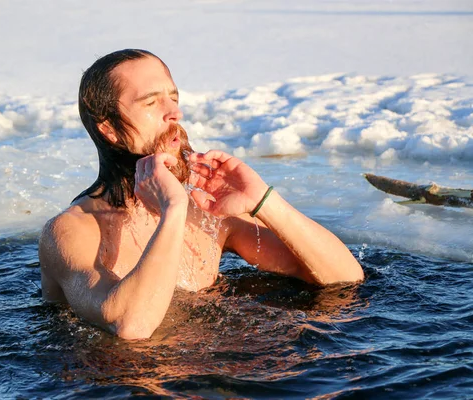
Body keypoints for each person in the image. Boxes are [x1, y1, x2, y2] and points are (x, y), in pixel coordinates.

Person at [39, 49, 364, 340]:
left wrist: (263, 200)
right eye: (151, 103)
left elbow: (344, 279)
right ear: (109, 129)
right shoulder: (72, 231)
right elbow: (132, 326)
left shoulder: (205, 208)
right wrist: (174, 210)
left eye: (173, 98)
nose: (174, 113)